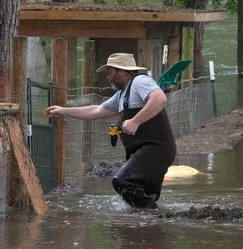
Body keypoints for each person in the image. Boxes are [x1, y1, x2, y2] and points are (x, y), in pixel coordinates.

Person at [44, 53, 176, 209]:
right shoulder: (121, 95)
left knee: (122, 181)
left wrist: (135, 121)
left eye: (110, 72)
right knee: (144, 197)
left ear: (123, 72)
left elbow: (159, 99)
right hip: (144, 151)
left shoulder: (141, 81)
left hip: (156, 149)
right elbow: (96, 111)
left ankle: (154, 217)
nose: (107, 77)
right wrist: (63, 110)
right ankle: (150, 227)